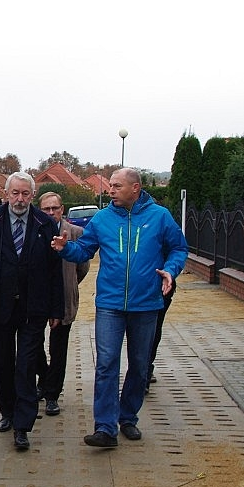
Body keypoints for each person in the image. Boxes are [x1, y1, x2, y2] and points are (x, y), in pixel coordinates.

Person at [52, 167, 188, 447]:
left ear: (135, 188)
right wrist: (66, 249)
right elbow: (85, 251)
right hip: (110, 304)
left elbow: (179, 249)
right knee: (106, 364)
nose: (110, 190)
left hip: (147, 304)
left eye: (116, 185)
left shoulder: (160, 217)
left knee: (139, 365)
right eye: (110, 186)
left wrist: (171, 270)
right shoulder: (102, 219)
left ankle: (128, 417)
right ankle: (104, 427)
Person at [0, 172, 63, 452]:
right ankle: (7, 412)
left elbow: (55, 271)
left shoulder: (45, 225)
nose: (19, 199)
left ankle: (23, 425)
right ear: (6, 194)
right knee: (3, 362)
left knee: (27, 364)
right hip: (0, 306)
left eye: (25, 194)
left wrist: (56, 308)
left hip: (34, 306)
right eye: (15, 193)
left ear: (32, 196)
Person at [35, 192, 90, 416]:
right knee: (34, 345)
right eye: (46, 209)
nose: (50, 213)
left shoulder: (75, 233)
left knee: (58, 348)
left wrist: (71, 284)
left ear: (62, 209)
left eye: (54, 209)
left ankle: (52, 395)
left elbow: (83, 266)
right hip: (38, 298)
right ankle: (45, 379)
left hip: (65, 298)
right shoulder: (35, 231)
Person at [146, 282, 177, 393]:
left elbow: (175, 263)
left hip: (160, 286)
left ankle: (145, 369)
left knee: (154, 327)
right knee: (153, 328)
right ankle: (144, 369)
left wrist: (170, 271)